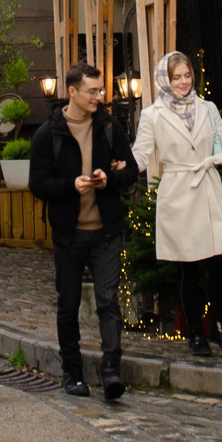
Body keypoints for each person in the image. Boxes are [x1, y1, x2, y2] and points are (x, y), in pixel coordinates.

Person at [131, 50, 222, 358]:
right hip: (178, 193)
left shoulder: (208, 109)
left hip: (208, 189)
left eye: (187, 76)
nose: (183, 82)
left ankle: (219, 325)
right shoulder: (153, 115)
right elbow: (140, 155)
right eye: (176, 77)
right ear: (166, 78)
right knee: (188, 269)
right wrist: (118, 168)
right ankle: (195, 333)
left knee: (219, 262)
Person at [30, 61, 140, 400]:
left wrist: (110, 178)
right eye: (92, 91)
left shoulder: (109, 127)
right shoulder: (48, 134)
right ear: (72, 92)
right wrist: (70, 186)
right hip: (69, 233)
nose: (99, 96)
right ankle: (72, 371)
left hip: (106, 229)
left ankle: (111, 371)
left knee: (108, 300)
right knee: (69, 302)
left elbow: (132, 171)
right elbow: (38, 185)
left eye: (100, 90)